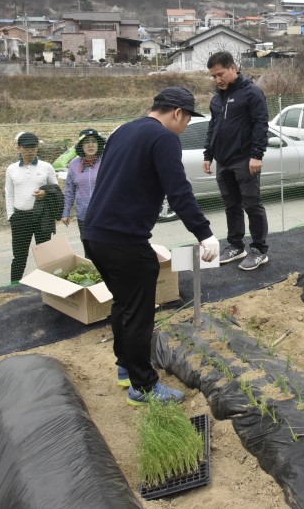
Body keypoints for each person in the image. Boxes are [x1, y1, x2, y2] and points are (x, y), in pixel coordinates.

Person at [83, 86, 220, 405]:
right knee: (140, 313)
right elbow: (179, 191)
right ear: (177, 113)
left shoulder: (122, 131)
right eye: (187, 121)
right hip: (123, 241)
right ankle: (143, 386)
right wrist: (205, 233)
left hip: (96, 235)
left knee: (124, 304)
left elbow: (117, 182)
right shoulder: (164, 138)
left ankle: (125, 368)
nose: (185, 128)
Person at [202, 51, 270, 271]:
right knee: (231, 205)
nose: (217, 79)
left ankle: (259, 250)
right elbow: (213, 127)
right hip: (223, 160)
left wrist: (257, 155)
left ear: (233, 68)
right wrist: (208, 155)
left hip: (245, 159)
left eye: (220, 74)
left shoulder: (252, 93)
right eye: (213, 76)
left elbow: (261, 124)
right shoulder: (217, 98)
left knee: (252, 205)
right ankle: (235, 246)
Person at [4, 131, 58, 284]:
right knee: (19, 256)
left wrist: (45, 193)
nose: (30, 151)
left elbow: (55, 190)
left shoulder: (46, 167)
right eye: (26, 148)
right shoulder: (11, 169)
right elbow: (9, 193)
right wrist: (11, 216)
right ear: (19, 148)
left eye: (33, 147)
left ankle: (48, 285)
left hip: (42, 216)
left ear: (37, 148)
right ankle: (14, 287)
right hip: (20, 217)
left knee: (44, 254)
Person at [61, 128, 105, 252]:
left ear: (98, 144)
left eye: (93, 141)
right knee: (88, 246)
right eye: (86, 142)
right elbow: (70, 190)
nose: (90, 145)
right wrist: (65, 213)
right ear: (81, 145)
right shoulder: (74, 165)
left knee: (105, 245)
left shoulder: (106, 161)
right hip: (83, 214)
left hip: (104, 212)